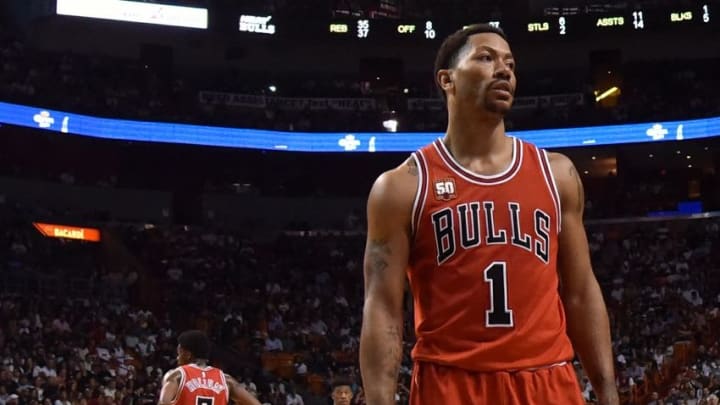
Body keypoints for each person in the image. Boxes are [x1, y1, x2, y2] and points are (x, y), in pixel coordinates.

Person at [359, 24, 619, 404]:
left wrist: (608, 392)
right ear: (446, 80)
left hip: (546, 380)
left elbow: (580, 292)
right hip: (451, 383)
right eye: (486, 57)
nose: (504, 70)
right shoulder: (402, 187)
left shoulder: (557, 174)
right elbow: (382, 306)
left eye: (510, 63)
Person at [157, 330, 260, 405]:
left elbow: (163, 403)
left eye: (179, 353)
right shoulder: (226, 380)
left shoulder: (176, 376)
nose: (177, 358)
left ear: (187, 354)